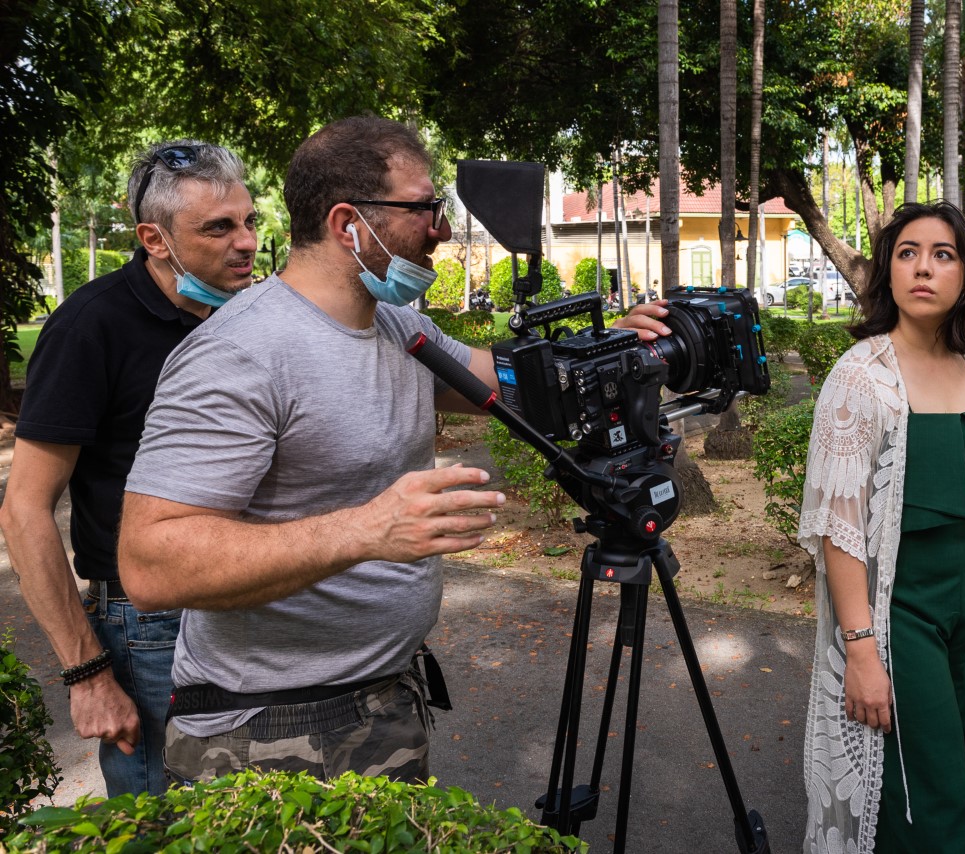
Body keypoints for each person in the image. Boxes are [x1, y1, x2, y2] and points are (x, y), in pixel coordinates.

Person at [117, 115, 669, 786]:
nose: (440, 228)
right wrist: (367, 530)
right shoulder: (239, 354)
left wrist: (614, 350)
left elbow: (516, 388)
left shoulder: (396, 325)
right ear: (349, 223)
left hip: (383, 699)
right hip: (266, 734)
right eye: (424, 209)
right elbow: (151, 565)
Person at [0, 140, 258, 797]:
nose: (247, 242)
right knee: (161, 828)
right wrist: (87, 675)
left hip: (256, 605)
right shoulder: (92, 327)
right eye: (219, 227)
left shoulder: (251, 319)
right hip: (150, 628)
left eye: (251, 221)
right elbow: (24, 508)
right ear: (155, 237)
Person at [799, 201, 965, 853]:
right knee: (930, 800)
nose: (923, 267)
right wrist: (862, 651)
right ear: (888, 274)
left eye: (942, 254)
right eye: (907, 253)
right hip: (898, 612)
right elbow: (836, 530)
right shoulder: (861, 378)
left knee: (937, 772)